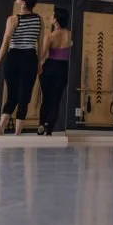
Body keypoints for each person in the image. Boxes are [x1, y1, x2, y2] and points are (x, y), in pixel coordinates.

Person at [0, 0, 44, 135]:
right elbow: (40, 43)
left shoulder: (13, 19)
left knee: (12, 94)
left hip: (14, 57)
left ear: (24, 1)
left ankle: (2, 125)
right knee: (25, 96)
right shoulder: (39, 19)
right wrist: (39, 63)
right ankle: (17, 131)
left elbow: (6, 40)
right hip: (30, 58)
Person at [37, 8, 72, 136]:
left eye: (52, 16)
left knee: (46, 99)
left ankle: (41, 125)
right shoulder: (69, 34)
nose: (51, 17)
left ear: (56, 19)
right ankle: (49, 129)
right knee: (56, 101)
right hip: (63, 68)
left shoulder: (50, 36)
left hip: (50, 67)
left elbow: (42, 55)